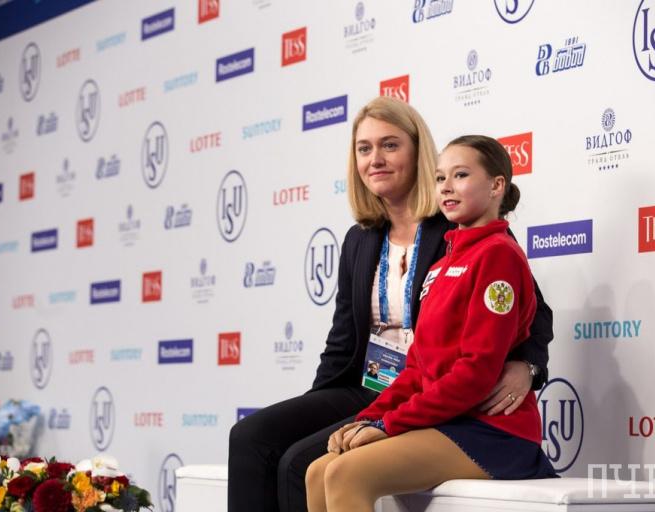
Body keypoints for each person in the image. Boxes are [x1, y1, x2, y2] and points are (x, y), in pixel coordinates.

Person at [227, 98, 553, 512]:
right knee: (251, 437)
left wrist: (528, 366)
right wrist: (324, 414)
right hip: (377, 385)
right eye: (364, 149)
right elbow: (343, 341)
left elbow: (527, 314)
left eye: (390, 145)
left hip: (445, 398)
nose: (375, 159)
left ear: (418, 154)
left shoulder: (462, 227)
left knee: (302, 463)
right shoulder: (361, 239)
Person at [305, 135, 556, 512]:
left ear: (496, 186)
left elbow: (476, 373)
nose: (447, 187)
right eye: (440, 178)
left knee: (345, 473)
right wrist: (369, 417)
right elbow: (417, 369)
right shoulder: (440, 265)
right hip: (447, 421)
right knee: (317, 471)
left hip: (492, 432)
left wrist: (389, 425)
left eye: (461, 175)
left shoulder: (498, 255)